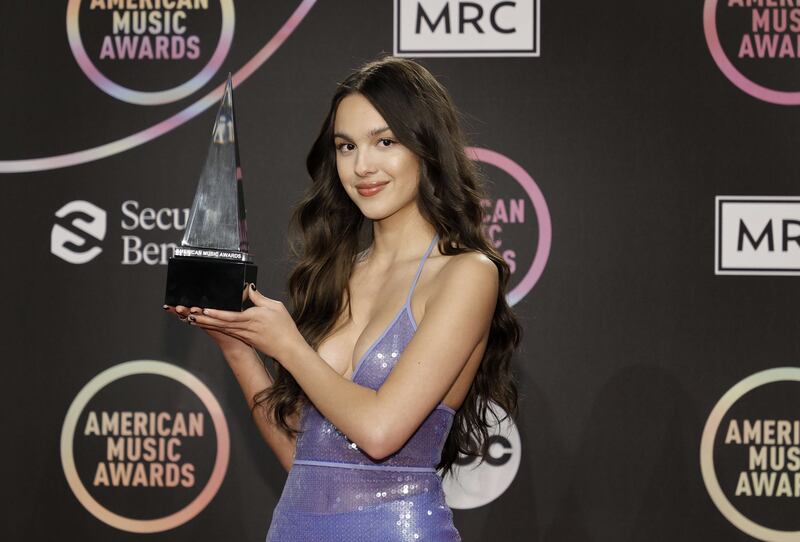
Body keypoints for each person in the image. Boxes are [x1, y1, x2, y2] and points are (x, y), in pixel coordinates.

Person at [168, 56, 521, 541]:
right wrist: (236, 345)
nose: (362, 166)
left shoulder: (466, 274)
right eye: (346, 146)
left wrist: (288, 345)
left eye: (385, 142)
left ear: (426, 148)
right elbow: (304, 458)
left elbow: (380, 433)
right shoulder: (336, 273)